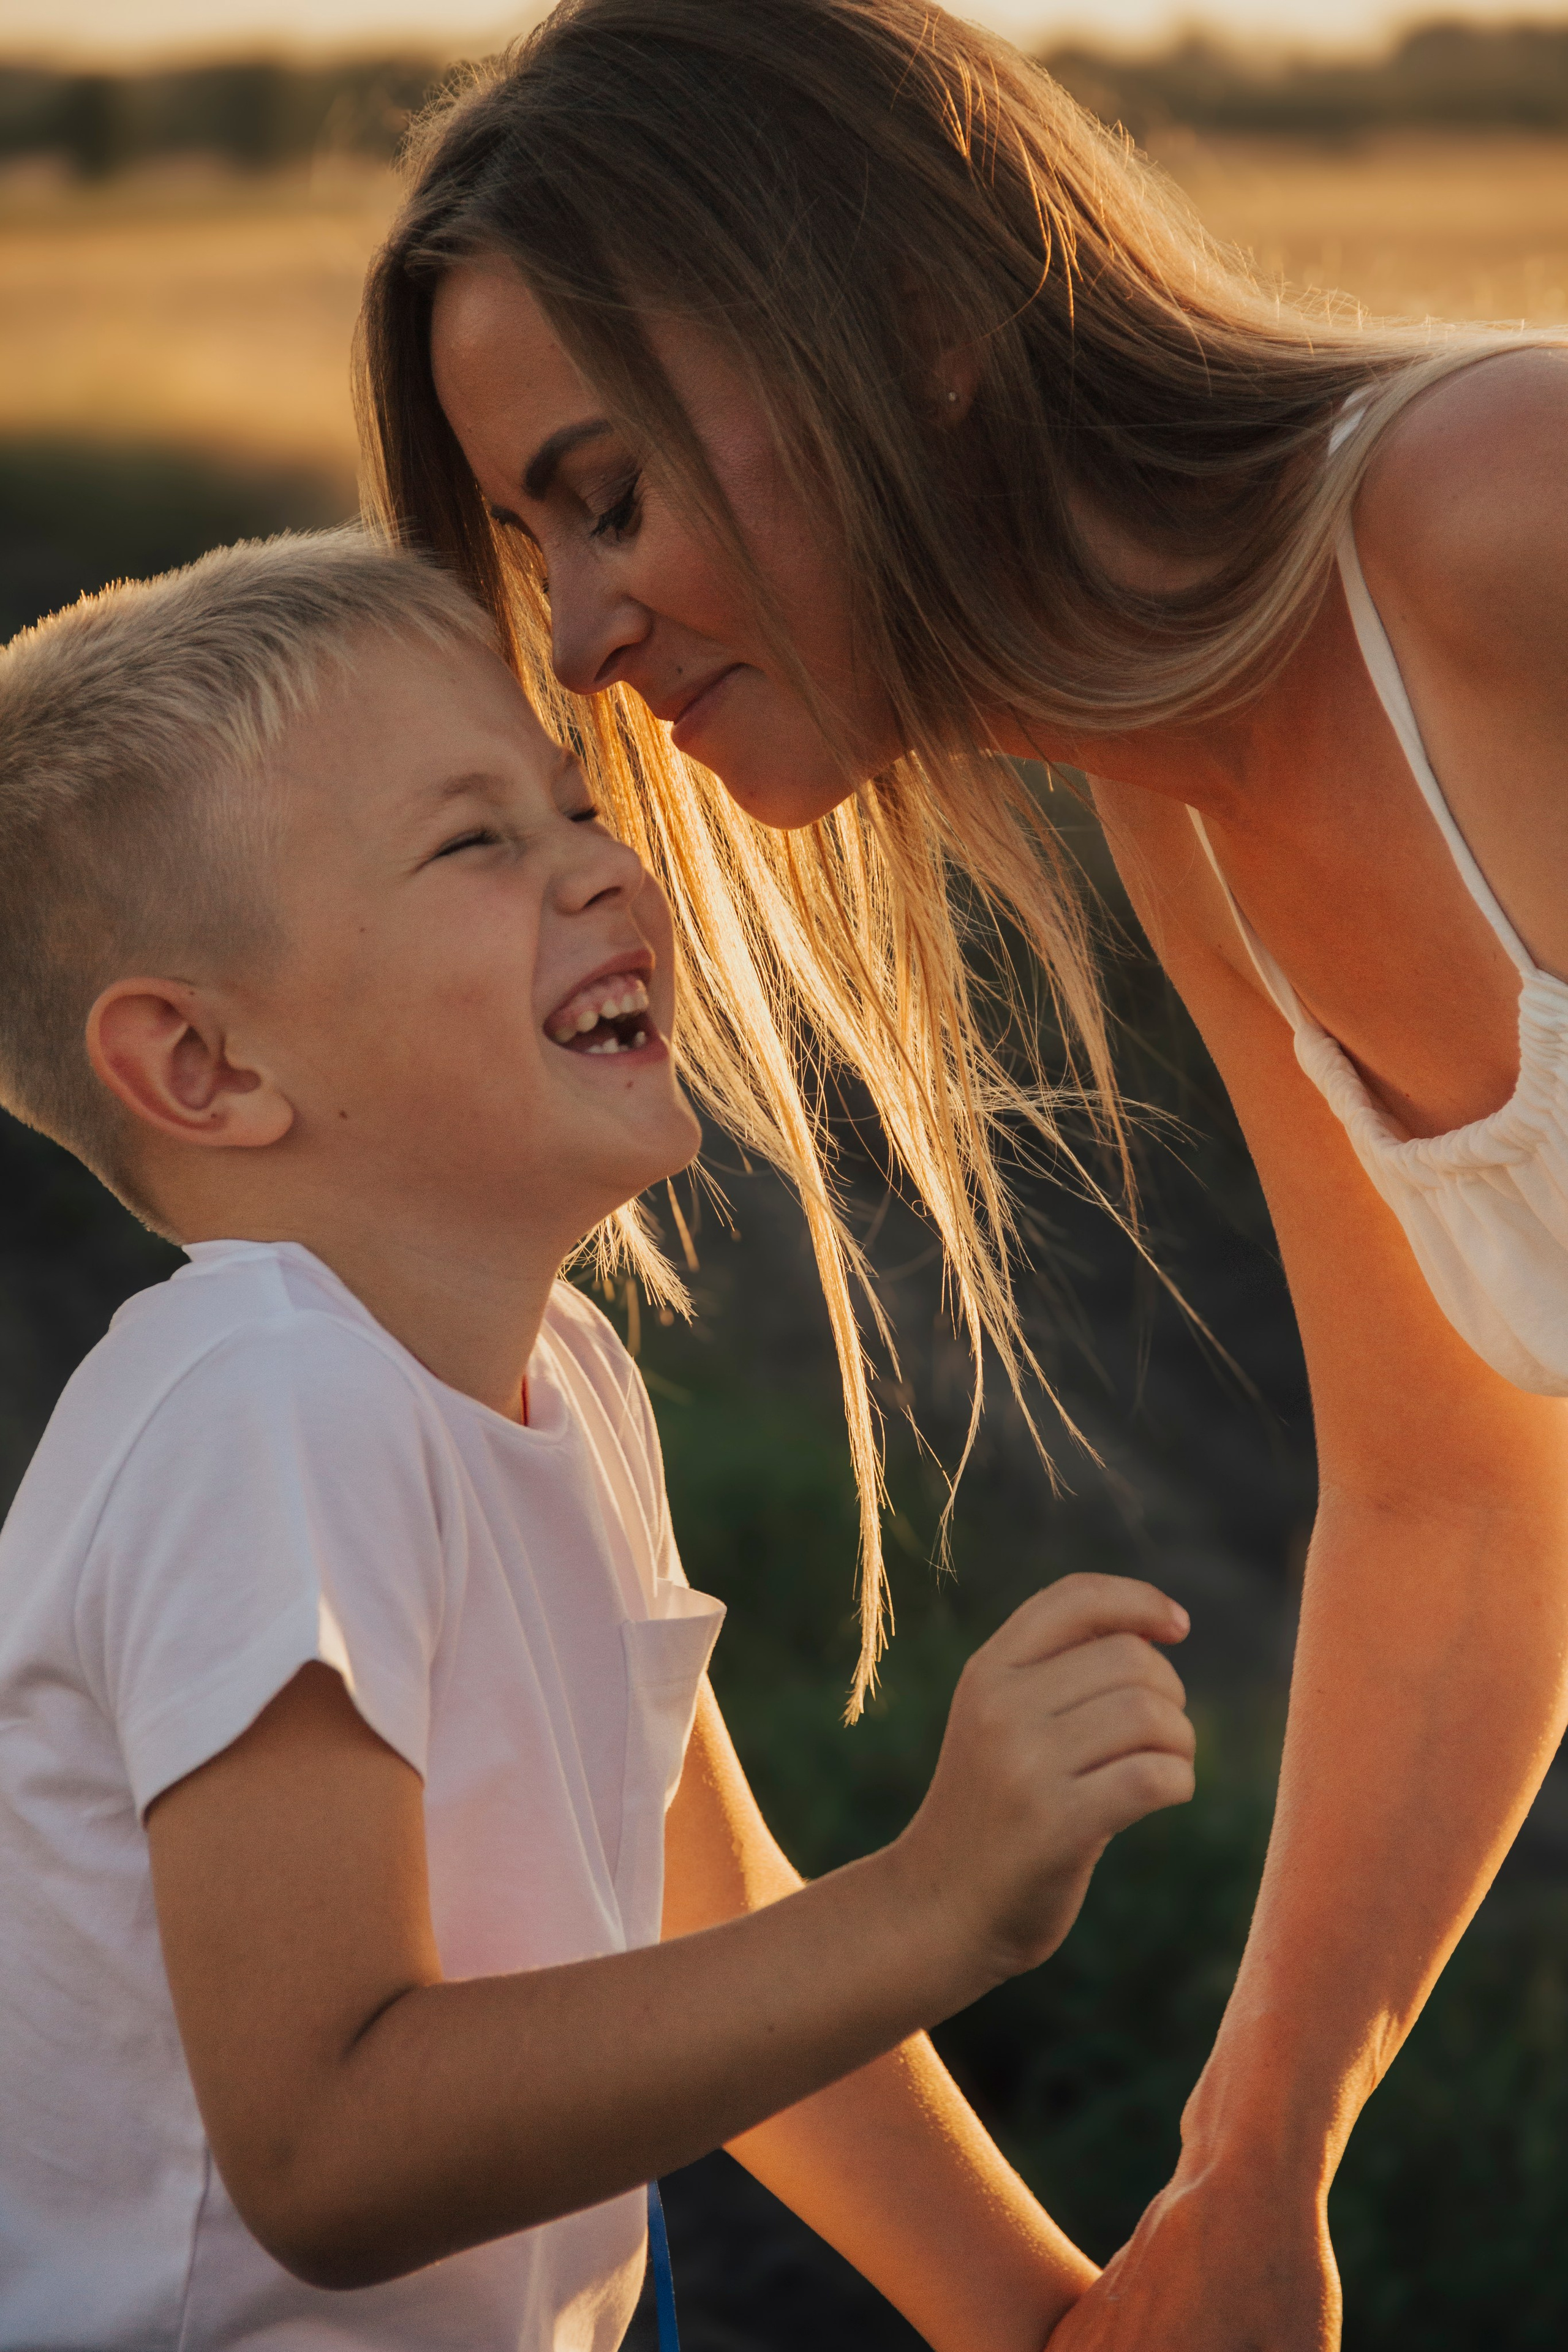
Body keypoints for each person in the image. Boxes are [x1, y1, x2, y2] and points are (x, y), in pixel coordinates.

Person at [355, 1, 1568, 2345]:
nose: (582, 639)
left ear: (908, 330)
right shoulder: (1191, 799)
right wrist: (1254, 2165)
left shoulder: (1502, 523)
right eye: (535, 545)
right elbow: (1463, 1495)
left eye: (608, 494)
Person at [0, 529, 1197, 2349]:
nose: (603, 867)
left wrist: (1046, 2319)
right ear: (206, 1069)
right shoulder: (262, 1408)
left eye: (573, 807)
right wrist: (936, 1909)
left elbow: (708, 1946)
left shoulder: (561, 1378)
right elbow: (331, 2145)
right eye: (477, 840)